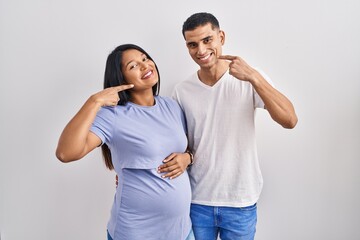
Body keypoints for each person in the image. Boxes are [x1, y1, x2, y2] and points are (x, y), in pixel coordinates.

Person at [159, 12, 298, 240]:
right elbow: (177, 143)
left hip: (240, 201)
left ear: (221, 37)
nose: (201, 51)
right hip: (196, 200)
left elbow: (290, 120)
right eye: (193, 45)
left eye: (207, 40)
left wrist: (254, 76)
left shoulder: (250, 79)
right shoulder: (182, 91)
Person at [55, 44, 195, 240]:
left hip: (181, 231)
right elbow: (65, 153)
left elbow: (185, 146)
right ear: (121, 79)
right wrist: (93, 102)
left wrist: (188, 158)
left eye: (145, 58)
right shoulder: (112, 115)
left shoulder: (171, 106)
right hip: (137, 232)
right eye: (133, 66)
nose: (145, 65)